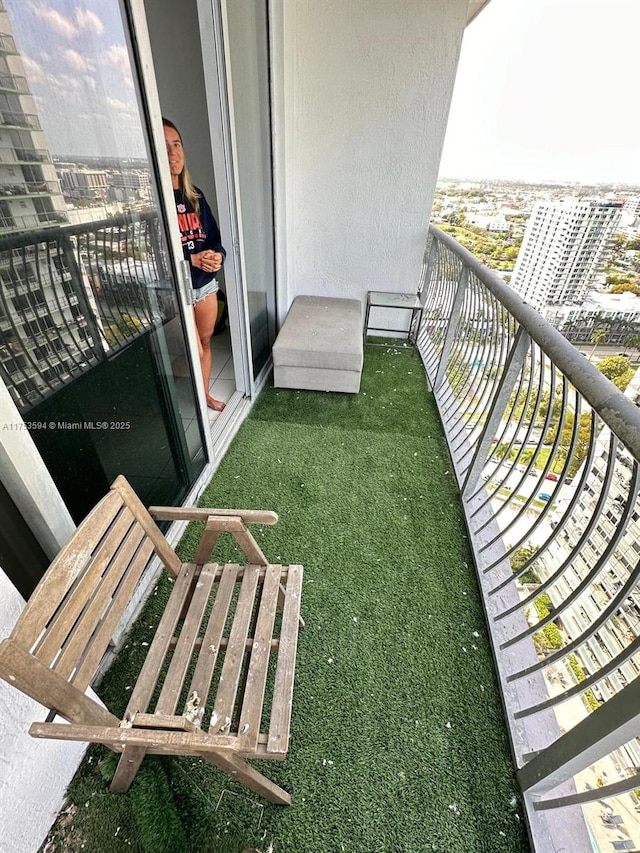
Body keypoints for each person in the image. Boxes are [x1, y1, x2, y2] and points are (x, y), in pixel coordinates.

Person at [163, 117, 226, 411]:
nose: (173, 153)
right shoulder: (154, 203)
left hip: (204, 284)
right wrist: (191, 258)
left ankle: (204, 396)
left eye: (176, 144)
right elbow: (152, 253)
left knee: (205, 341)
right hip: (178, 288)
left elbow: (213, 239)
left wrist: (217, 256)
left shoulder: (195, 196)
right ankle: (197, 400)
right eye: (164, 147)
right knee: (195, 348)